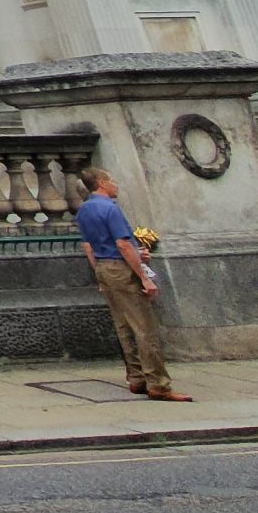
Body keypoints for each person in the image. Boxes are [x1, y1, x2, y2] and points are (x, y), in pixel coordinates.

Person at [75, 168, 189, 400]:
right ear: (101, 183)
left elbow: (88, 245)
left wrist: (99, 269)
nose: (115, 184)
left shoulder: (84, 210)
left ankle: (136, 377)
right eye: (111, 180)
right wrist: (144, 276)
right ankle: (158, 383)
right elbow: (123, 245)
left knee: (123, 326)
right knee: (144, 328)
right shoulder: (110, 208)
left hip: (104, 267)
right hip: (122, 268)